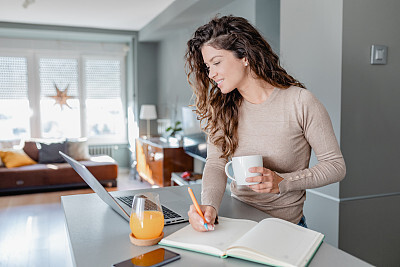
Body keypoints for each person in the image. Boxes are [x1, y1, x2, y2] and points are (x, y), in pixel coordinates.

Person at [184, 15, 346, 232]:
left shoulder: (300, 102)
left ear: (244, 56)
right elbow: (216, 163)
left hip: (286, 229)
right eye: (207, 66)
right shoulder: (222, 108)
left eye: (216, 62)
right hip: (237, 225)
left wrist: (283, 182)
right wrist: (209, 205)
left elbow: (335, 166)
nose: (211, 74)